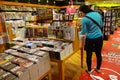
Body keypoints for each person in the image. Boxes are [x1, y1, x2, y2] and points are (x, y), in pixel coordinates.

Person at [79, 4, 103, 74]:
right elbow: (101, 25)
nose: (81, 14)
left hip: (90, 39)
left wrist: (79, 33)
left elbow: (84, 32)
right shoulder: (97, 14)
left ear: (84, 11)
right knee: (98, 54)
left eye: (81, 12)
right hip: (99, 37)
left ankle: (89, 70)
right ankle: (98, 69)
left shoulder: (84, 19)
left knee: (89, 55)